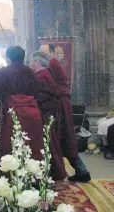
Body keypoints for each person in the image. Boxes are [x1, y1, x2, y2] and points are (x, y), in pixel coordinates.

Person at [40, 44, 91, 183]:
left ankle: (80, 170)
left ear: (51, 53)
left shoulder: (52, 63)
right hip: (60, 105)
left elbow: (51, 86)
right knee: (65, 139)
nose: (40, 54)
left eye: (43, 51)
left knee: (62, 138)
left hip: (59, 106)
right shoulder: (52, 63)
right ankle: (81, 170)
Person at [0, 46, 44, 162]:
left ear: (8, 58)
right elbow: (37, 92)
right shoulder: (31, 72)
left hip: (11, 114)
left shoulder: (3, 72)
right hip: (32, 113)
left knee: (11, 144)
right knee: (32, 144)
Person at [30, 51, 66, 180]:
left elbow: (43, 95)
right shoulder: (45, 73)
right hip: (49, 111)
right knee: (51, 141)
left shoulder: (41, 75)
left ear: (38, 63)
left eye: (33, 62)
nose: (31, 64)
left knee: (49, 142)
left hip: (45, 112)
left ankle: (53, 171)